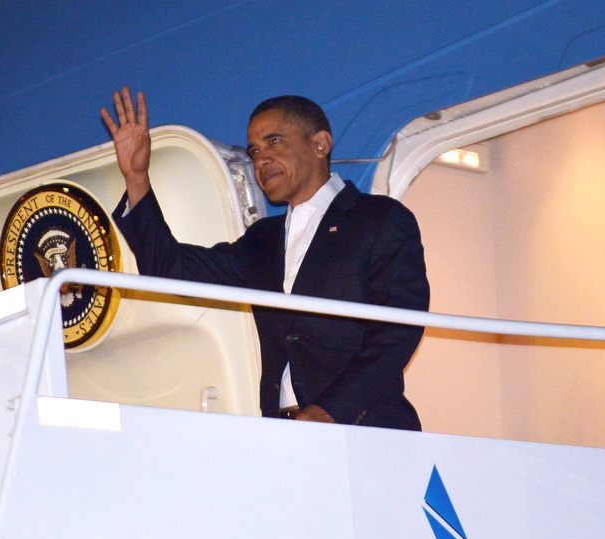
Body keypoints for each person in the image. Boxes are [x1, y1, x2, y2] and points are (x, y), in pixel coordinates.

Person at [101, 87, 429, 429]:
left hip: (367, 430)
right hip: (282, 430)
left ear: (320, 144)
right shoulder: (262, 240)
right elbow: (171, 268)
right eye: (255, 150)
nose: (261, 161)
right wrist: (136, 177)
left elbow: (398, 329)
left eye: (274, 142)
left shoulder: (379, 219)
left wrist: (332, 411)